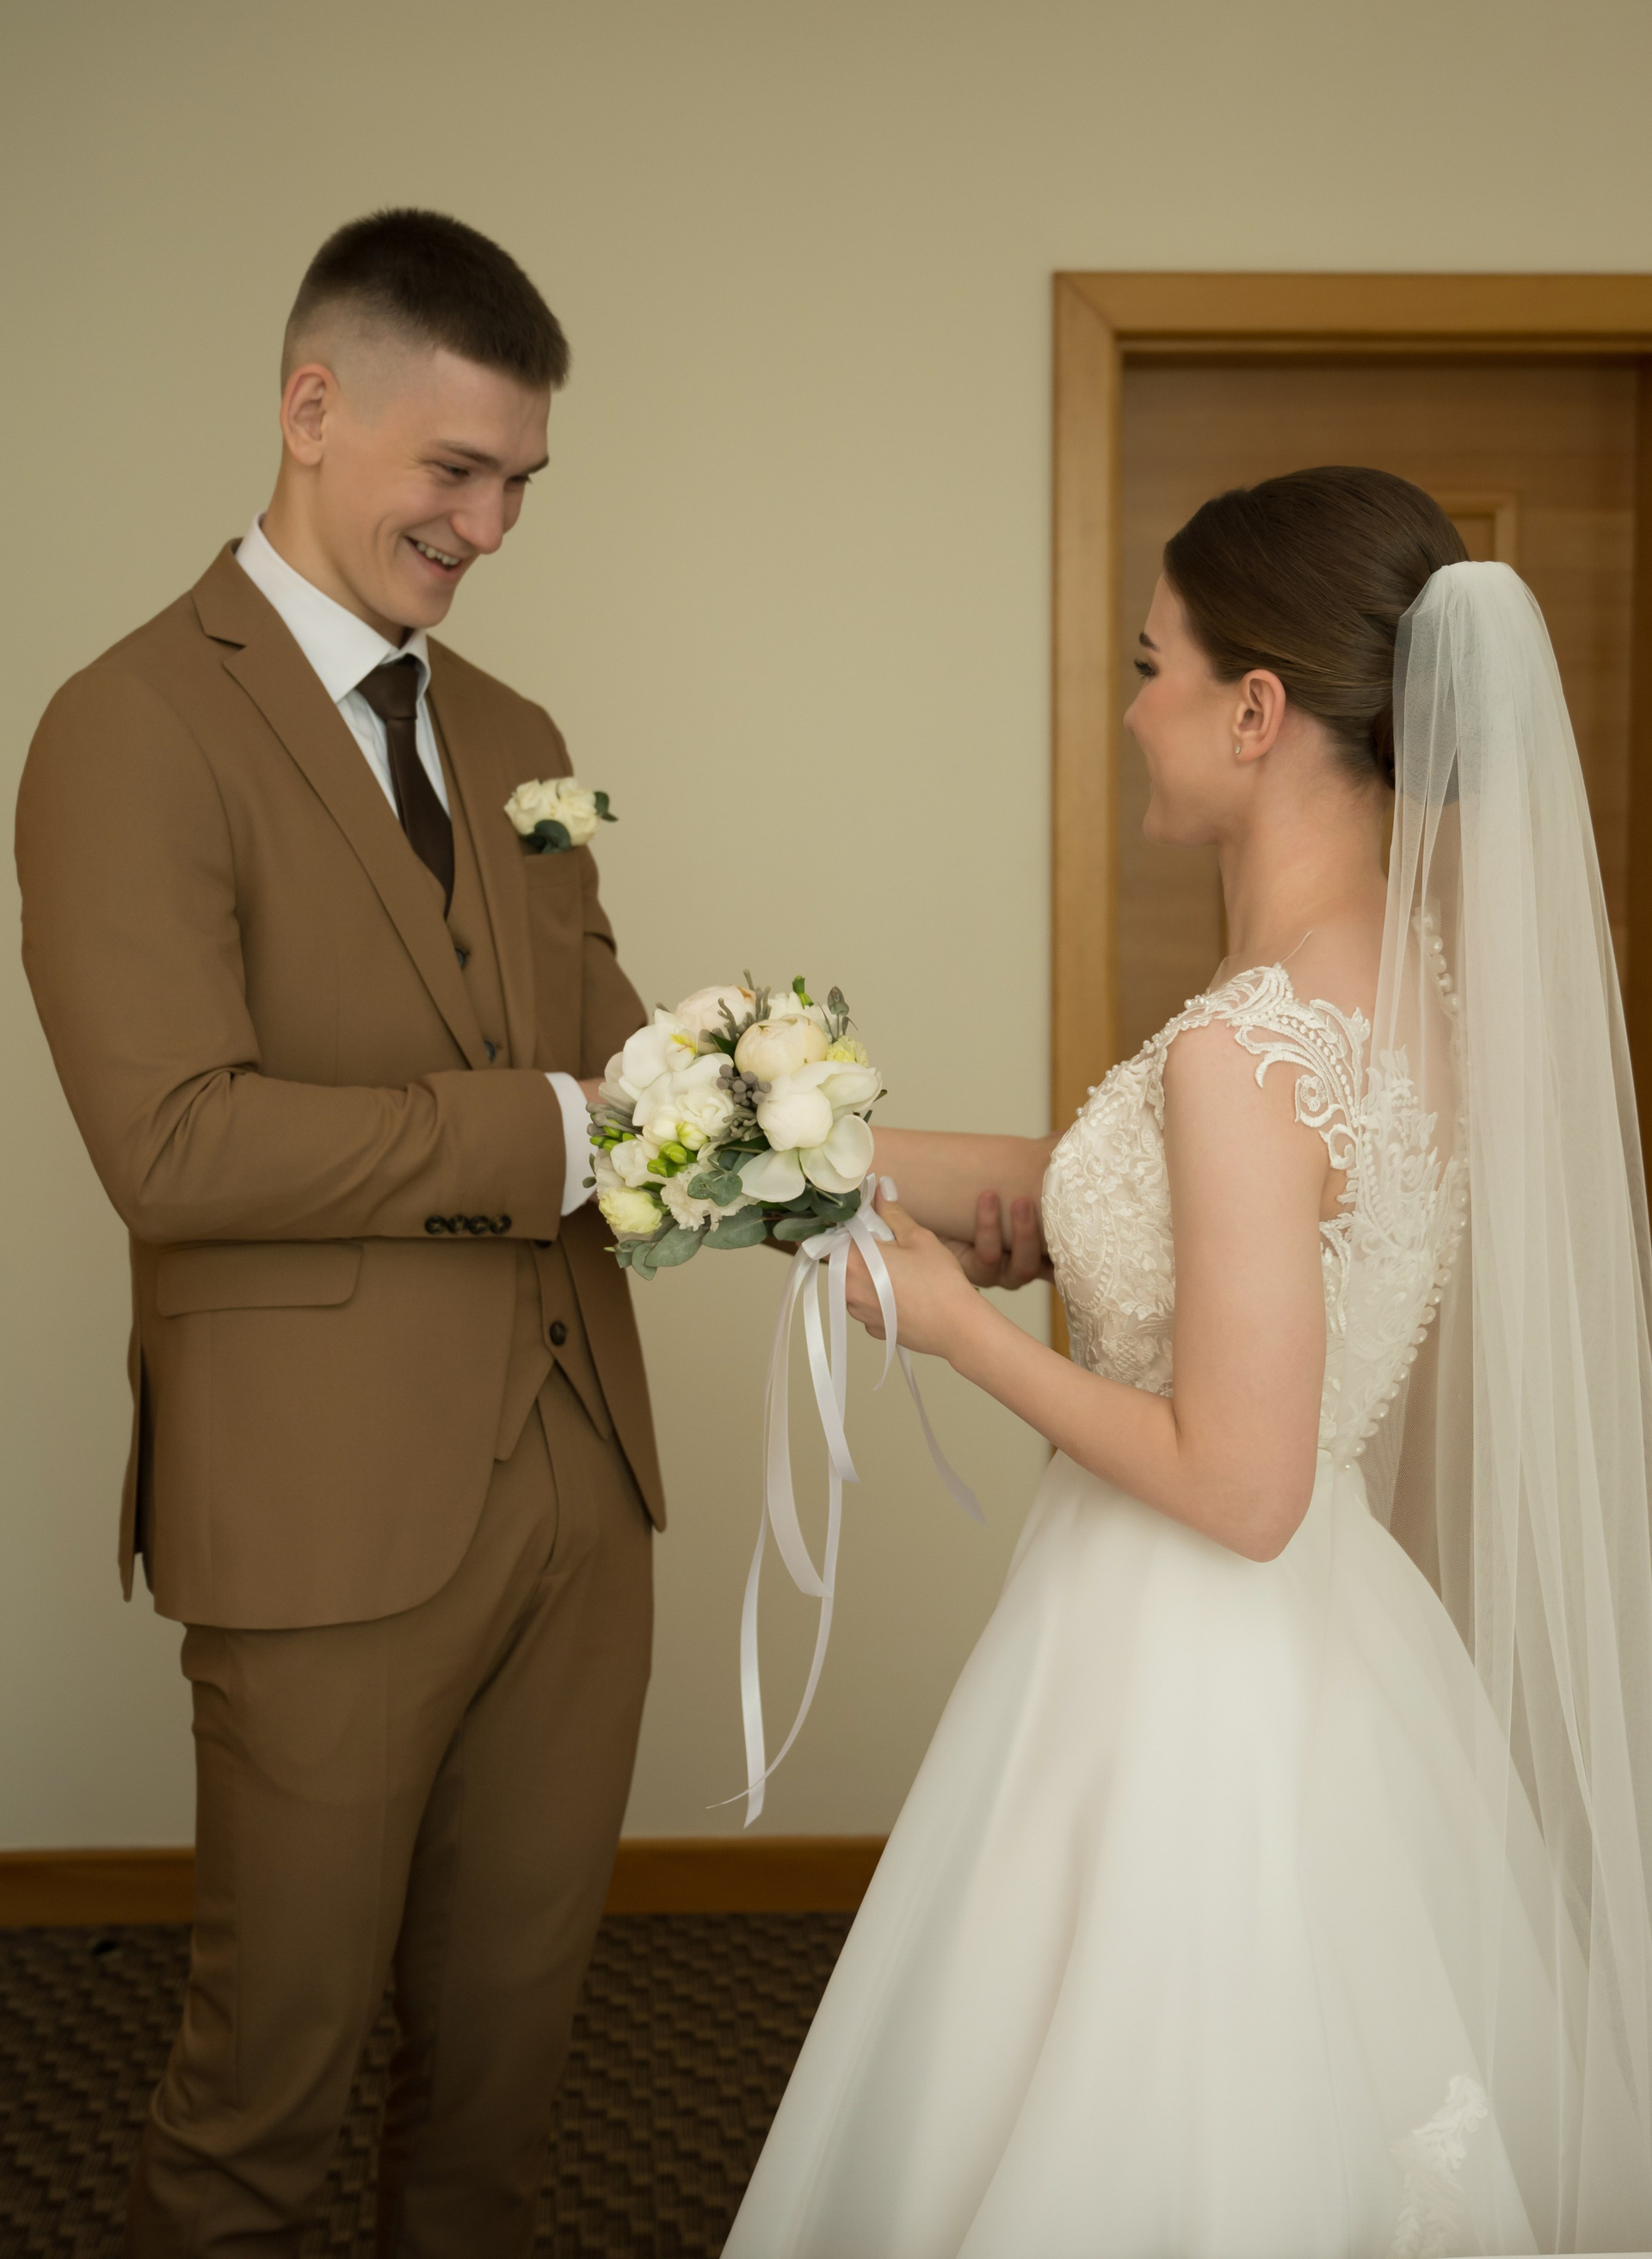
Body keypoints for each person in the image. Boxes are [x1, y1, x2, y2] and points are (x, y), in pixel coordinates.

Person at [724, 467, 1652, 2258]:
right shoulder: (1402, 985)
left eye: (1154, 667)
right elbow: (1186, 1222)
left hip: (1179, 1648)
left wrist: (960, 1328)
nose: (1134, 708)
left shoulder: (1249, 1043)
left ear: (1254, 710)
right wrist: (778, 1132)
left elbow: (1237, 1485)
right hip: (1335, 1635)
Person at [15, 209, 661, 2256]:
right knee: (260, 2111)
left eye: (522, 483)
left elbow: (622, 1063)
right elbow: (173, 1144)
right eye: (456, 470)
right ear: (312, 409)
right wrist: (537, 1134)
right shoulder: (127, 724)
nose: (490, 527)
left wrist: (895, 1170)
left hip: (578, 1487)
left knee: (508, 2093)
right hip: (318, 1520)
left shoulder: (522, 741)